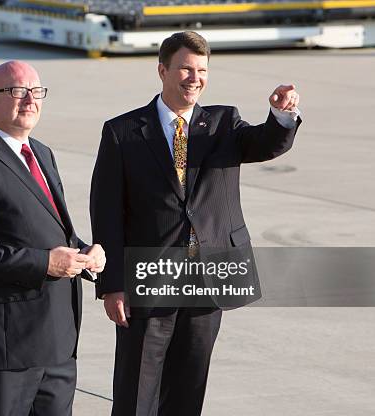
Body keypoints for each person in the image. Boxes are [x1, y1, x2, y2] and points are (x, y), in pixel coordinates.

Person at [90, 31, 301, 416]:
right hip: (149, 280)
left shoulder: (223, 123)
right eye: (185, 69)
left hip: (209, 281)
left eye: (202, 70)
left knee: (188, 392)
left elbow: (266, 144)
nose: (194, 78)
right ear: (162, 70)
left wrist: (281, 116)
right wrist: (112, 285)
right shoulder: (122, 132)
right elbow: (106, 213)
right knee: (136, 394)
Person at [0, 60, 105, 416]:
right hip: (5, 350)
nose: (29, 99)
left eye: (36, 91)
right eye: (17, 91)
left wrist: (86, 253)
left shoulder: (42, 153)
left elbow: (50, 230)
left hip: (58, 346)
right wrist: (46, 262)